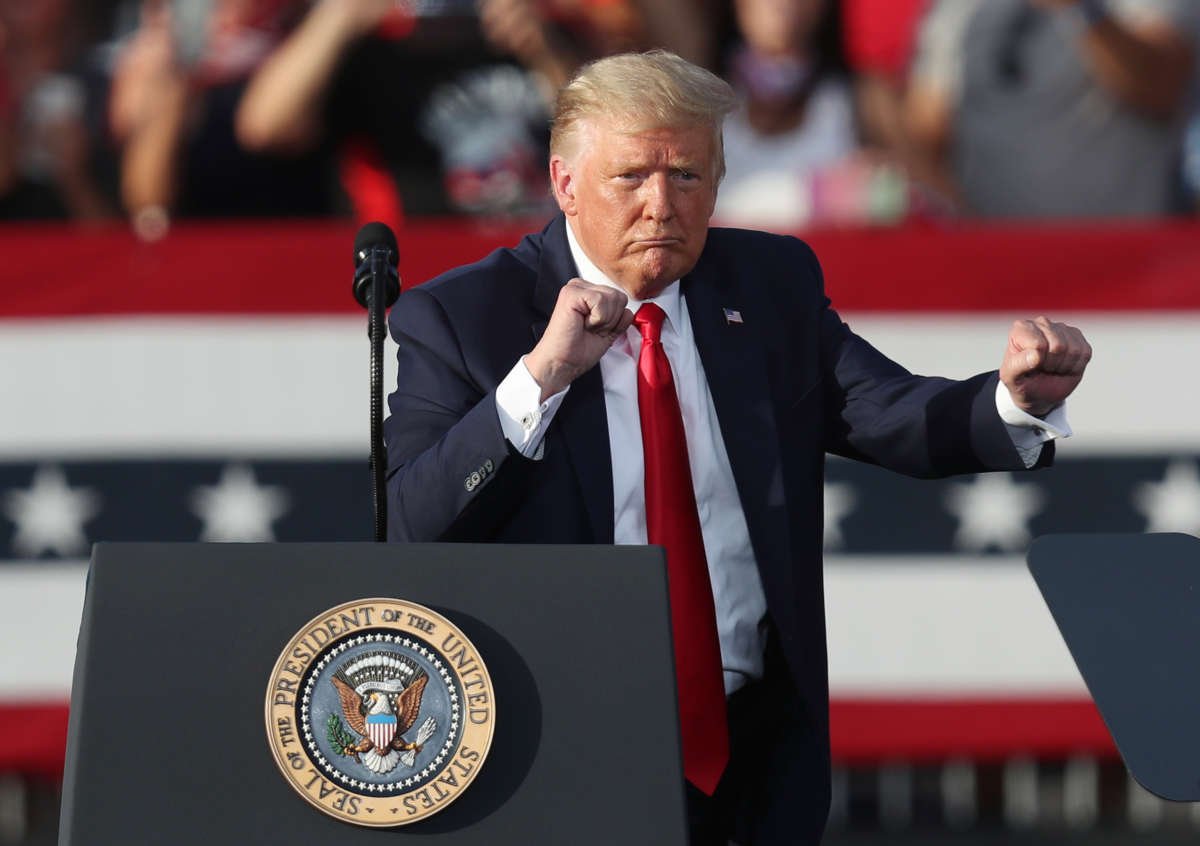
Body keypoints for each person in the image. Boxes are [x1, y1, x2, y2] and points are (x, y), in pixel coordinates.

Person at [383, 50, 1091, 845]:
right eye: (631, 177)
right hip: (561, 747)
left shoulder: (768, 283)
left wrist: (1012, 402)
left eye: (687, 176)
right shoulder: (461, 318)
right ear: (564, 183)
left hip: (753, 753)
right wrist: (539, 378)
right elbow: (410, 525)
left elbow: (885, 409)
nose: (662, 204)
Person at [906, 0, 1198, 218]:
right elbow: (926, 132)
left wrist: (1082, 11)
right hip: (1000, 270)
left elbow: (1160, 85)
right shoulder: (959, 9)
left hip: (1128, 269)